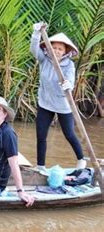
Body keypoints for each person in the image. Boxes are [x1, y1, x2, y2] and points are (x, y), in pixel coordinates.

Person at [30, 22, 86, 171]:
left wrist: (67, 85)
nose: (56, 51)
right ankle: (40, 166)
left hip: (63, 105)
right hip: (45, 103)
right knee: (41, 135)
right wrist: (36, 33)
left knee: (69, 134)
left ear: (65, 51)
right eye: (53, 47)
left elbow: (70, 82)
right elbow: (34, 49)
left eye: (60, 49)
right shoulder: (44, 60)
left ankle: (81, 159)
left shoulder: (69, 65)